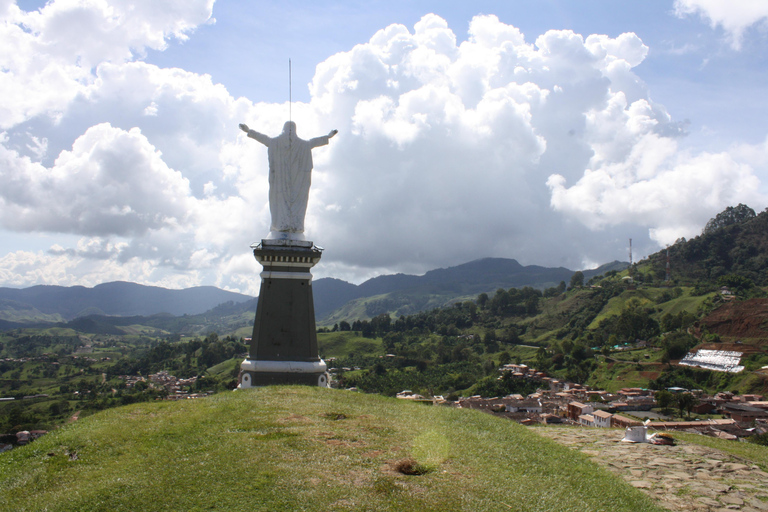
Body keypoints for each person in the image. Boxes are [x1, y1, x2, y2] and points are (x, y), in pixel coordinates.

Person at [240, 121, 337, 236]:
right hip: (283, 183)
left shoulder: (280, 143)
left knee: (288, 202)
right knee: (282, 203)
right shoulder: (299, 145)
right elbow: (313, 142)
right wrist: (328, 136)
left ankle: (293, 226)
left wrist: (249, 131)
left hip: (288, 183)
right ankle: (284, 225)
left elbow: (263, 138)